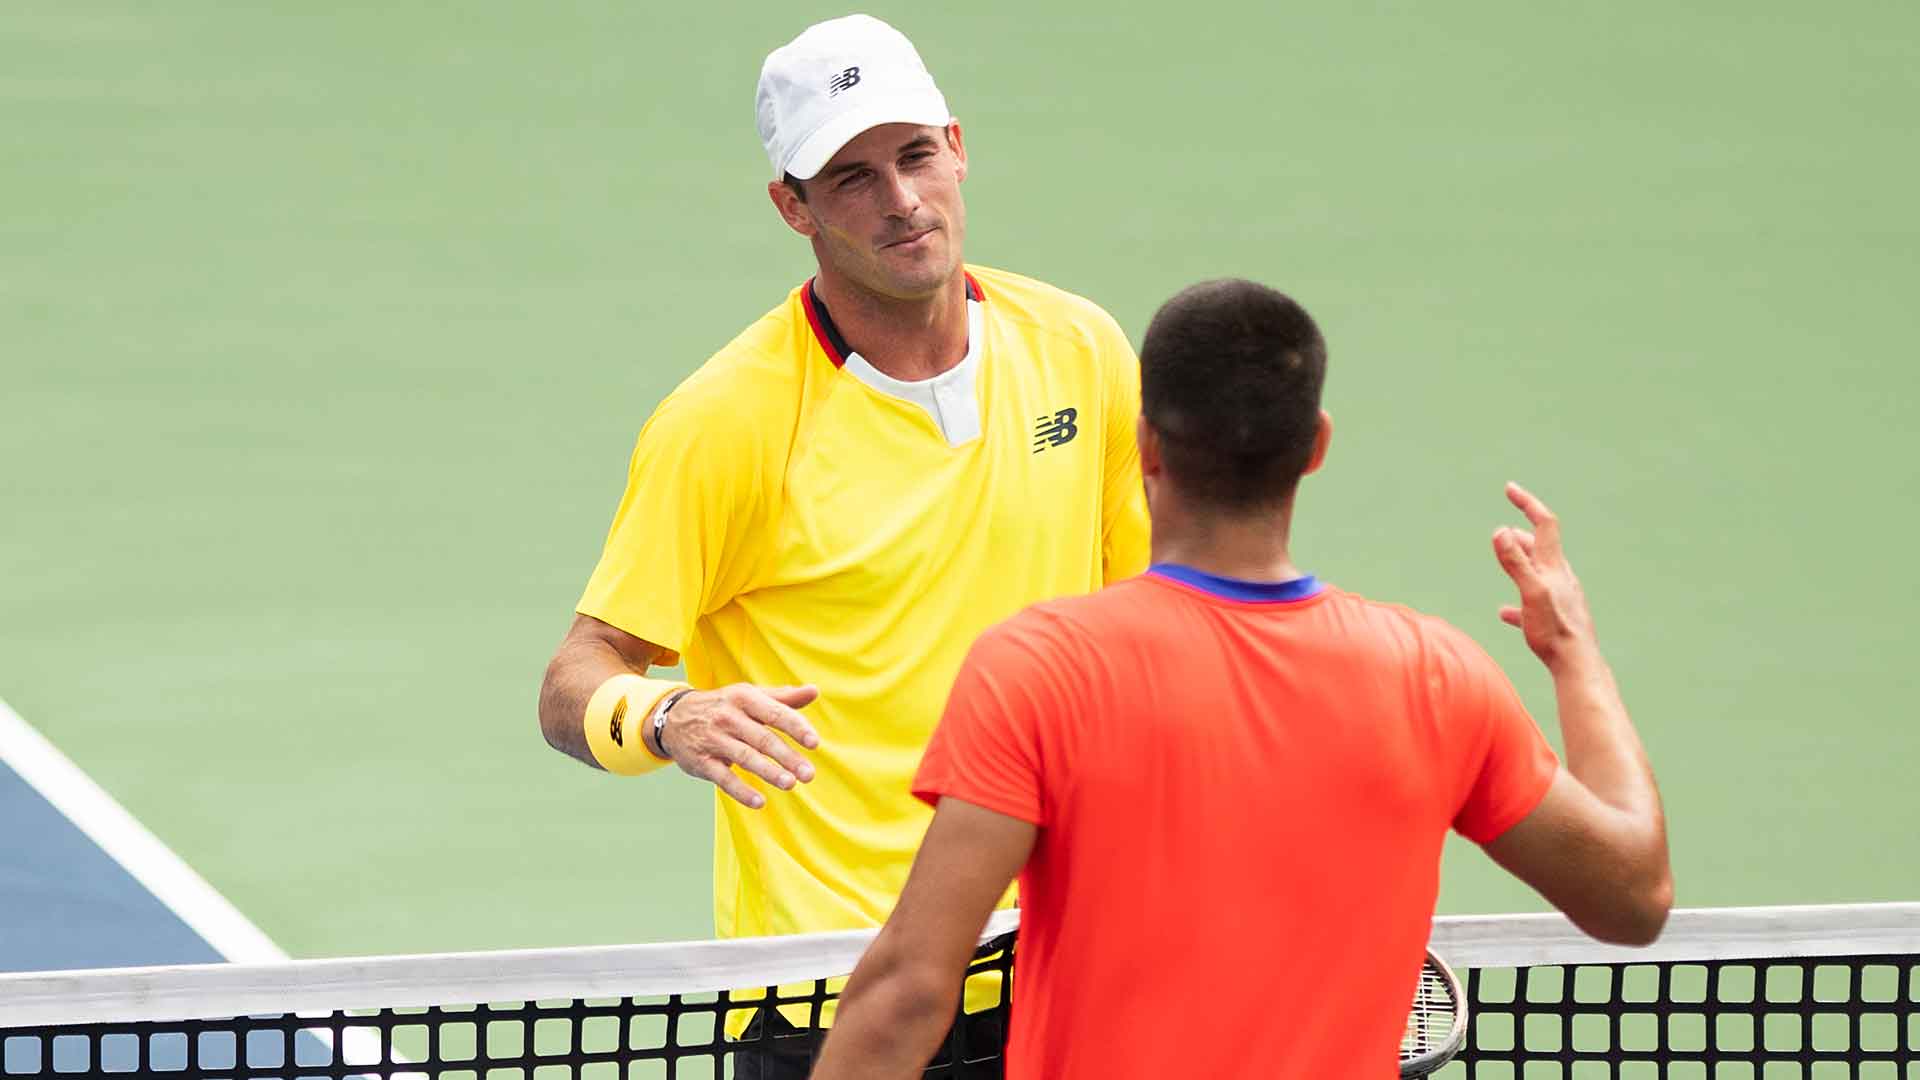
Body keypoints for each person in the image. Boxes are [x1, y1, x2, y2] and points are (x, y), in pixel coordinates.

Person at [810, 279, 1673, 1079]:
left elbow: (910, 993)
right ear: (1317, 447)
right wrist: (1573, 653)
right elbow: (1633, 899)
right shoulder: (1439, 679)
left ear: (1147, 443)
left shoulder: (1041, 670)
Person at [535, 13, 1150, 1078]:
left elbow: (1143, 631)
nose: (903, 200)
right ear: (794, 206)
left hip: (1053, 966)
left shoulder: (1082, 352)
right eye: (853, 177)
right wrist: (670, 713)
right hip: (833, 994)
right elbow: (575, 680)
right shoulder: (726, 421)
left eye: (915, 155)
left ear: (957, 146)